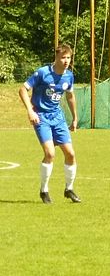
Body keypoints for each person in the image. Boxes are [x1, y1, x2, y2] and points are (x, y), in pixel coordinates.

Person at [19, 44, 82, 204]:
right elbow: (23, 90)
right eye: (63, 57)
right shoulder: (43, 72)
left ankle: (69, 189)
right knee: (50, 153)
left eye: (68, 58)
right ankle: (44, 190)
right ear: (56, 57)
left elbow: (70, 96)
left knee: (71, 154)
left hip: (58, 118)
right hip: (41, 117)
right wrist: (30, 111)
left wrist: (75, 118)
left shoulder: (69, 76)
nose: (66, 61)